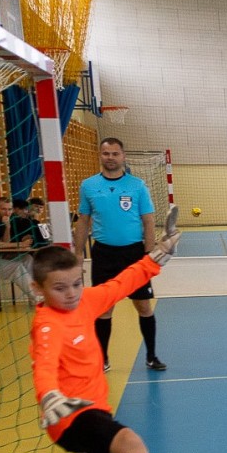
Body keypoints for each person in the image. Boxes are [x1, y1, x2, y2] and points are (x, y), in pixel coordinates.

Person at [11, 237, 217, 453]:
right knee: (129, 443)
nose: (71, 294)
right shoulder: (48, 325)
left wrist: (155, 258)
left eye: (76, 284)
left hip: (94, 409)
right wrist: (49, 395)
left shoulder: (85, 301)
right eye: (60, 288)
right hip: (68, 414)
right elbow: (44, 364)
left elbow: (121, 284)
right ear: (37, 288)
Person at [74, 137, 166, 372]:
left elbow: (148, 220)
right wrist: (77, 254)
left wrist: (148, 254)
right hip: (103, 254)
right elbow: (83, 220)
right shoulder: (88, 185)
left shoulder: (137, 185)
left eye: (115, 154)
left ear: (123, 156)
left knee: (143, 306)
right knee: (104, 309)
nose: (111, 158)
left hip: (134, 254)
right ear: (100, 155)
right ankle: (102, 359)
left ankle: (152, 356)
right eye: (106, 153)